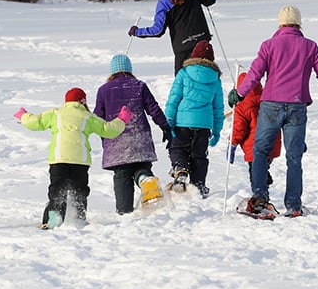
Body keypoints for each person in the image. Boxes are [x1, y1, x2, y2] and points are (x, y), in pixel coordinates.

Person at [227, 5, 318, 217]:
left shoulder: (268, 45)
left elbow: (255, 73)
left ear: (280, 23)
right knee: (294, 156)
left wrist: (239, 94)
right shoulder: (310, 46)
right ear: (299, 23)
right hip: (297, 105)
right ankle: (293, 205)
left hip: (271, 105)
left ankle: (260, 197)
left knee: (260, 151)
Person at [14, 87, 133, 229]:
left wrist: (23, 116)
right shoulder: (87, 117)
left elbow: (36, 122)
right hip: (80, 162)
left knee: (57, 190)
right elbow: (108, 130)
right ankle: (79, 217)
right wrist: (121, 119)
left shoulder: (55, 114)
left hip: (59, 160)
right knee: (80, 190)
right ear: (83, 102)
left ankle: (55, 218)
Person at [94, 54, 173, 214]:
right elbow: (154, 109)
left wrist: (103, 136)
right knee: (141, 166)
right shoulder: (140, 86)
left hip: (116, 141)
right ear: (129, 69)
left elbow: (97, 118)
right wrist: (165, 127)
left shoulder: (103, 91)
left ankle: (124, 211)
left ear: (112, 71)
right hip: (140, 138)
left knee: (122, 173)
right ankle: (146, 180)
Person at [128, 0, 217, 75]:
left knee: (183, 85)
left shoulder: (163, 3)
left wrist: (137, 31)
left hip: (183, 49)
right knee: (207, 79)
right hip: (203, 43)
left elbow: (158, 30)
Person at [165, 40, 225, 198]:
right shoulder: (215, 79)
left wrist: (169, 119)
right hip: (203, 125)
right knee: (199, 156)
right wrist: (217, 130)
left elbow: (174, 98)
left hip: (182, 122)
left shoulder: (184, 73)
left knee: (178, 148)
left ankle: (180, 169)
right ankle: (198, 184)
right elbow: (218, 108)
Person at [229, 71, 282, 190]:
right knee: (262, 167)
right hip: (271, 144)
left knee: (255, 174)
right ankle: (264, 178)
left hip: (254, 147)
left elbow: (238, 128)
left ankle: (259, 196)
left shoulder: (241, 105)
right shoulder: (269, 100)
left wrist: (232, 143)